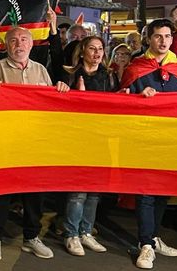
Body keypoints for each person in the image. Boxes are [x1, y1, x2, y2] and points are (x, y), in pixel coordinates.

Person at [0, 26, 70, 262]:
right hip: (6, 143)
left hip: (34, 143)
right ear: (6, 45)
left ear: (31, 44)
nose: (19, 44)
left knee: (34, 194)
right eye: (14, 40)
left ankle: (31, 237)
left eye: (24, 40)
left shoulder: (41, 71)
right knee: (1, 194)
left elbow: (50, 105)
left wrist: (61, 90)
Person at [119, 18, 177, 270]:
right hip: (144, 140)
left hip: (173, 141)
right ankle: (145, 244)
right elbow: (120, 103)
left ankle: (154, 237)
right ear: (148, 38)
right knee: (146, 192)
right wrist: (137, 97)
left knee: (163, 191)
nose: (163, 41)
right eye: (158, 36)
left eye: (168, 36)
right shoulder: (136, 68)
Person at [62, 36, 115, 257]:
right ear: (82, 51)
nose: (97, 53)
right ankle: (71, 234)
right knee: (78, 192)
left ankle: (86, 232)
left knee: (94, 191)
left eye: (100, 48)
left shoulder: (109, 76)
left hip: (100, 138)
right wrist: (78, 96)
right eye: (92, 48)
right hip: (78, 139)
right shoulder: (70, 74)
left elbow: (116, 104)